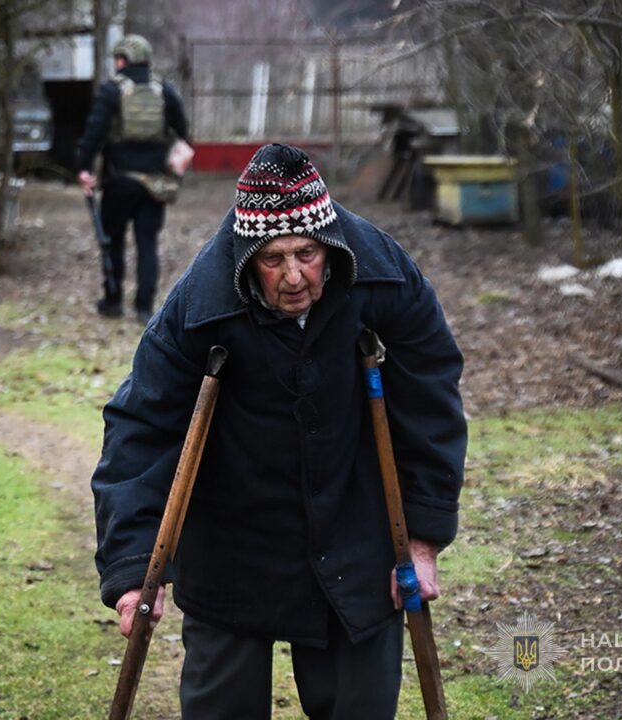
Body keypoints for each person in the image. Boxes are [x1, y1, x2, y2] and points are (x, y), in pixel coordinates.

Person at [91, 143, 466, 719]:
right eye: (272, 259)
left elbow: (430, 398)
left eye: (307, 254)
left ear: (328, 244)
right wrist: (133, 566)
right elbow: (142, 425)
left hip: (354, 524)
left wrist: (422, 540)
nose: (294, 276)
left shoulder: (383, 276)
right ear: (247, 257)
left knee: (359, 707)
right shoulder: (201, 304)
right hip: (233, 537)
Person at [75, 34, 189, 323]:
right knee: (147, 242)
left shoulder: (111, 91)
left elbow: (93, 133)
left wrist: (84, 168)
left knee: (112, 240)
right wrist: (173, 168)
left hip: (119, 181)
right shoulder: (165, 90)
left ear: (124, 59)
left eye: (117, 58)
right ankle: (144, 306)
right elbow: (184, 133)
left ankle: (113, 301)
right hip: (155, 184)